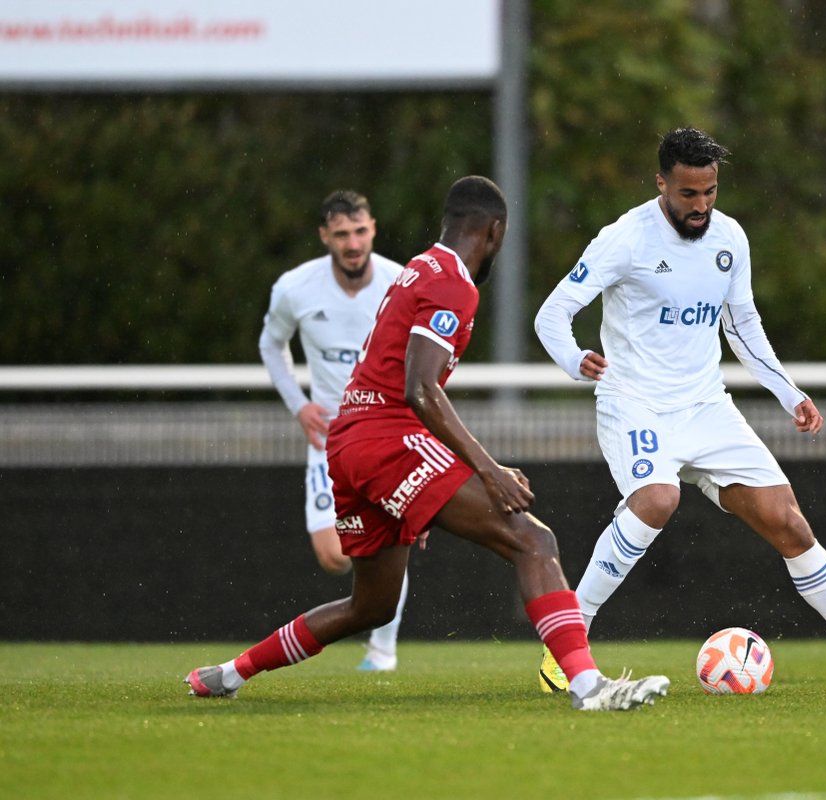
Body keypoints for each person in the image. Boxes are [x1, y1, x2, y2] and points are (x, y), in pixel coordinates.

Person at [188, 176, 671, 712]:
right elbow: (418, 389)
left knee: (369, 606)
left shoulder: (420, 267)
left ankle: (230, 674)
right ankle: (588, 687)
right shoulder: (453, 285)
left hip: (351, 441)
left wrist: (435, 484)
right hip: (385, 438)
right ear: (494, 232)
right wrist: (487, 470)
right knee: (534, 542)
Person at [534, 127, 826, 697]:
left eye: (709, 193)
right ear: (661, 184)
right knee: (657, 499)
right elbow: (551, 315)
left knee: (789, 523)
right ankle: (569, 644)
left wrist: (789, 392)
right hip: (636, 404)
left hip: (707, 407)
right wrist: (575, 359)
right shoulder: (624, 239)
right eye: (687, 195)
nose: (700, 207)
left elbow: (742, 326)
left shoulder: (730, 237)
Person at [258, 189, 408, 672]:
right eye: (341, 234)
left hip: (383, 433)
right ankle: (379, 606)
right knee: (334, 556)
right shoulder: (295, 288)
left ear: (373, 230)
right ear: (325, 236)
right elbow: (271, 345)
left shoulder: (399, 282)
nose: (352, 242)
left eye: (360, 231)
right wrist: (300, 407)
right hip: (330, 440)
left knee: (385, 540)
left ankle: (382, 651)